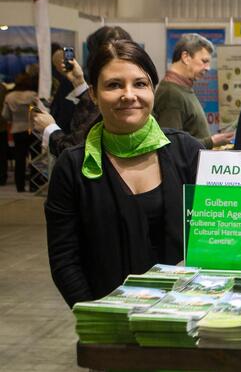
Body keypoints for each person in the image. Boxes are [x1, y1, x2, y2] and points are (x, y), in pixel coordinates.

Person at [45, 40, 202, 307]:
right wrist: (95, 316)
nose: (129, 94)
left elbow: (219, 233)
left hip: (187, 316)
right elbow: (64, 259)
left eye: (140, 84)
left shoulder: (187, 152)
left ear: (153, 89)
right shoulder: (73, 167)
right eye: (114, 85)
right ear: (93, 94)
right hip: (109, 321)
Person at [33, 26, 132, 158]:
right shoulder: (93, 88)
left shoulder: (112, 99)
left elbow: (76, 150)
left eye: (140, 84)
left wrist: (49, 128)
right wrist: (79, 83)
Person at [153, 33, 233, 149]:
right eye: (204, 61)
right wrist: (211, 141)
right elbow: (172, 147)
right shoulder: (171, 94)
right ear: (186, 57)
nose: (208, 68)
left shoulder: (182, 89)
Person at [2, 73, 38, 192]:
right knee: (35, 158)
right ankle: (34, 185)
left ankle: (20, 186)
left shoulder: (9, 97)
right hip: (32, 129)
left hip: (17, 129)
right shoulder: (33, 95)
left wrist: (13, 119)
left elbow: (5, 115)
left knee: (19, 159)